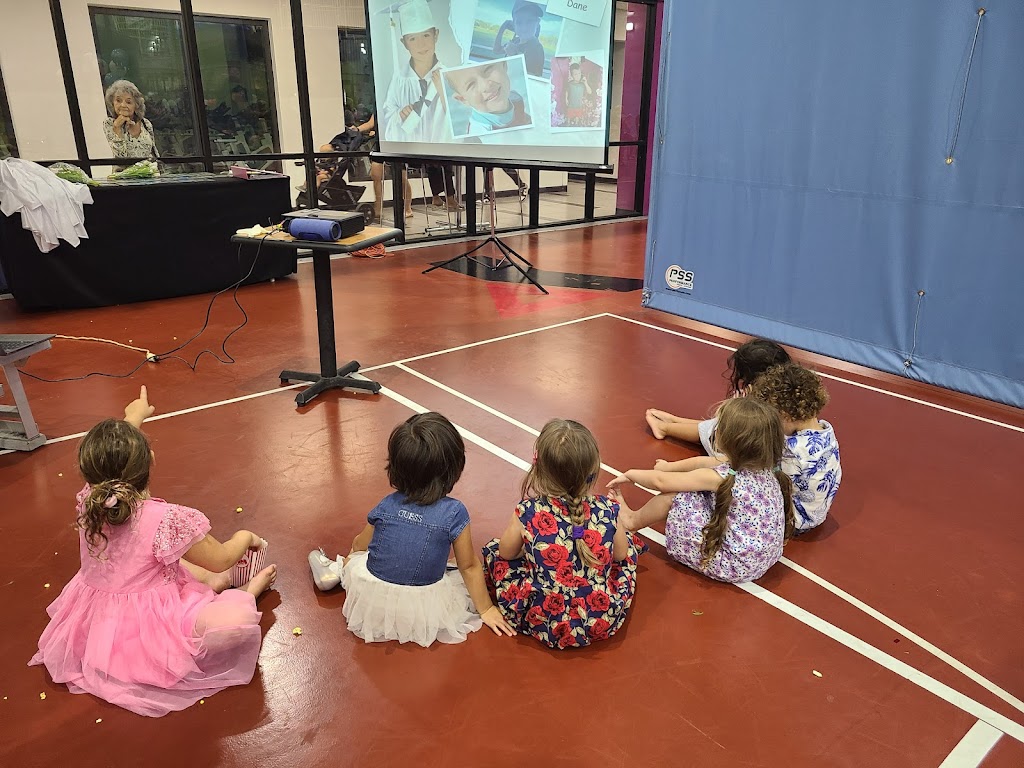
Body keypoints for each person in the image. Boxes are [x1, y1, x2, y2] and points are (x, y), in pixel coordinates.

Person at [29, 387, 276, 717]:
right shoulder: (165, 519)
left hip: (100, 621)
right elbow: (221, 558)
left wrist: (134, 417)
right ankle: (246, 592)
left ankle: (214, 585)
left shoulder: (90, 500)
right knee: (234, 621)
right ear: (152, 460)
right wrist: (245, 536)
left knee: (176, 563)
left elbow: (109, 460)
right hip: (153, 623)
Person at [308, 412, 514, 647]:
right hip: (426, 610)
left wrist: (349, 563)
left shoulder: (387, 504)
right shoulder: (454, 512)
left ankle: (336, 569)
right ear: (454, 468)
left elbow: (359, 545)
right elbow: (468, 566)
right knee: (456, 568)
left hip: (374, 603)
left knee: (359, 559)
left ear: (396, 466)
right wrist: (486, 609)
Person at [483, 419, 646, 649]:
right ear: (592, 471)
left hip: (543, 619)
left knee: (494, 551)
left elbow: (506, 553)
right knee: (627, 549)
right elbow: (620, 555)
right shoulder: (608, 509)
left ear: (539, 468)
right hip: (599, 618)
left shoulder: (527, 512)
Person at [610, 398, 794, 584]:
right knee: (699, 495)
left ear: (724, 437)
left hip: (731, 565)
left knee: (678, 496)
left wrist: (632, 474)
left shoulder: (721, 477)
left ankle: (632, 521)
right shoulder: (764, 467)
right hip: (762, 560)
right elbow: (701, 462)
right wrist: (669, 467)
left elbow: (661, 483)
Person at [644, 338, 791, 451]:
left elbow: (729, 427)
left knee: (713, 430)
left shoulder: (759, 397)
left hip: (745, 449)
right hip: (752, 438)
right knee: (716, 425)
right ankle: (675, 421)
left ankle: (664, 428)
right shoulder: (785, 387)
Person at [747, 363, 842, 532]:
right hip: (815, 514)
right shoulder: (825, 430)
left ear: (785, 415)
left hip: (793, 520)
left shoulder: (793, 451)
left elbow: (767, 481)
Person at [380, 0, 450, 143]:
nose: (421, 44)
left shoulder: (449, 76)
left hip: (443, 153)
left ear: (436, 35)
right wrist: (400, 116)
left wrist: (445, 96)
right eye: (412, 39)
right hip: (410, 152)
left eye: (426, 35)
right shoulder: (399, 80)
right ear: (404, 43)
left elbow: (464, 123)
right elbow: (388, 116)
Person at [444, 60, 532, 136]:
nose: (486, 86)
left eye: (488, 69)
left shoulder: (515, 98)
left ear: (504, 65)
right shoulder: (480, 132)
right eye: (471, 85)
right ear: (463, 99)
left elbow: (523, 117)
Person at [102, 80, 158, 164]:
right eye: (118, 100)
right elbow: (121, 157)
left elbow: (154, 152)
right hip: (126, 172)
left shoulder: (145, 123)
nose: (123, 105)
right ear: (112, 103)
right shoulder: (109, 123)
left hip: (149, 171)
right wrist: (117, 127)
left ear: (136, 105)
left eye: (128, 102)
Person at [493, 0, 546, 77]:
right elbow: (496, 50)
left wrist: (514, 55)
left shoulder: (536, 48)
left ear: (537, 23)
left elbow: (531, 78)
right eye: (519, 22)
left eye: (530, 21)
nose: (524, 28)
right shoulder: (515, 41)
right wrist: (503, 27)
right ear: (514, 25)